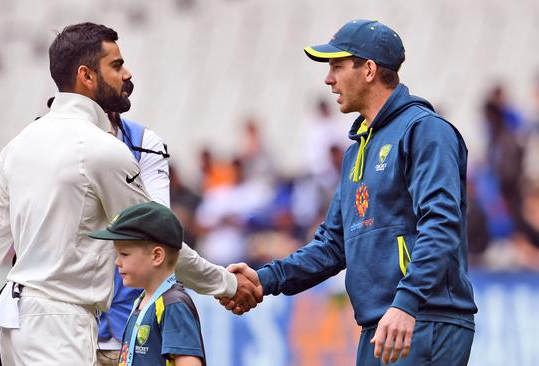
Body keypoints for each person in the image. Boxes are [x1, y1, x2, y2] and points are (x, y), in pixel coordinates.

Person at [0, 22, 259, 366]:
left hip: (15, 326)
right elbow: (157, 241)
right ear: (86, 75)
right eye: (115, 65)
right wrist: (228, 285)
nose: (126, 73)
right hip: (60, 328)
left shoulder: (18, 145)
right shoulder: (104, 150)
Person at [222, 19, 477, 365]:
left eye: (337, 67)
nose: (328, 79)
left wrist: (408, 301)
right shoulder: (356, 150)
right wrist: (265, 279)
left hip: (422, 318)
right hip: (381, 324)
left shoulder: (425, 130)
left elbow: (441, 223)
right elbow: (332, 245)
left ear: (369, 69)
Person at [90, 202, 205, 366]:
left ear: (157, 256)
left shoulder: (173, 305)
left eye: (124, 254)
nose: (117, 262)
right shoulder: (142, 301)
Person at [96, 113, 171, 366]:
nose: (127, 75)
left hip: (130, 340)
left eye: (124, 254)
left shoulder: (143, 141)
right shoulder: (48, 140)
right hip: (67, 332)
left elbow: (157, 225)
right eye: (117, 69)